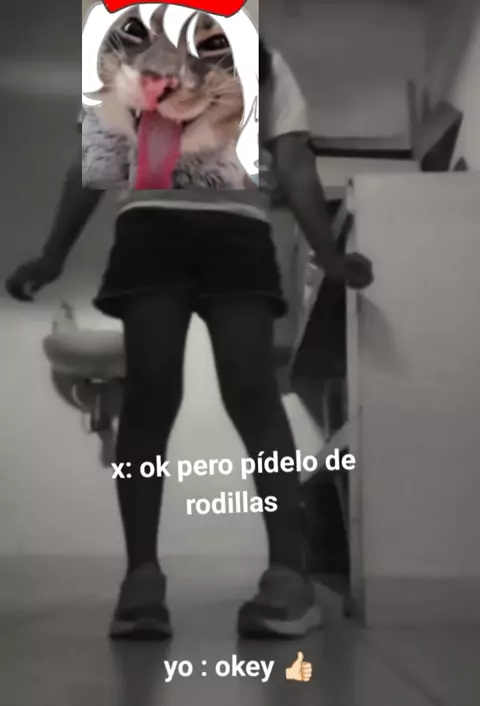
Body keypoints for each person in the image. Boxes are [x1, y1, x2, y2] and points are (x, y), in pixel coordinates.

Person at [5, 21, 373, 640]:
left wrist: (331, 259)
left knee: (237, 394)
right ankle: (151, 579)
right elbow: (94, 161)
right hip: (162, 230)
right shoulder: (130, 57)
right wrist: (52, 256)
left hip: (223, 234)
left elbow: (294, 165)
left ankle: (274, 576)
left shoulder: (260, 62)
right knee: (168, 397)